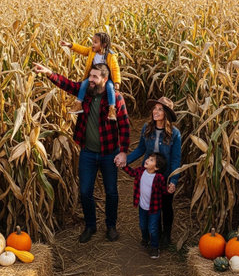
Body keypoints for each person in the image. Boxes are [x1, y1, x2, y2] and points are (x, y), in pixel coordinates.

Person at [33, 62, 129, 243]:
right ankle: (90, 226)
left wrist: (123, 152)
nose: (90, 80)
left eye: (94, 77)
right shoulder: (85, 93)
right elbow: (67, 84)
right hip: (88, 152)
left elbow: (124, 125)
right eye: (89, 76)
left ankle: (111, 226)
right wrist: (48, 72)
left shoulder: (115, 98)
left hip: (109, 153)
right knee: (85, 192)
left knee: (111, 192)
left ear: (105, 79)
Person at [115, 96, 181, 249]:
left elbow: (176, 159)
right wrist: (126, 160)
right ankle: (155, 235)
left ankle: (167, 235)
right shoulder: (147, 128)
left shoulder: (175, 134)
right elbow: (140, 149)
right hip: (150, 175)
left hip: (165, 175)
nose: (155, 111)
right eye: (155, 108)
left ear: (166, 114)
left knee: (166, 206)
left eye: (160, 109)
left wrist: (173, 180)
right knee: (154, 205)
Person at [60, 32, 120, 120]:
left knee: (110, 87)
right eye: (92, 42)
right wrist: (70, 45)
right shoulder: (92, 51)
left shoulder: (110, 56)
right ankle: (78, 104)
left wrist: (117, 82)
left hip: (106, 78)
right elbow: (82, 49)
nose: (92, 44)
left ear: (104, 44)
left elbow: (115, 69)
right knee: (84, 84)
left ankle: (111, 109)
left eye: (95, 42)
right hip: (93, 77)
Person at [123, 153, 167, 259]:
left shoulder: (159, 178)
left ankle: (154, 247)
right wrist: (123, 166)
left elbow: (163, 191)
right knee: (142, 225)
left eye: (151, 160)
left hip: (154, 209)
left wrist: (169, 190)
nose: (147, 160)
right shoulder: (140, 171)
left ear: (156, 167)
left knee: (152, 228)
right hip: (142, 207)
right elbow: (132, 173)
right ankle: (145, 239)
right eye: (148, 158)